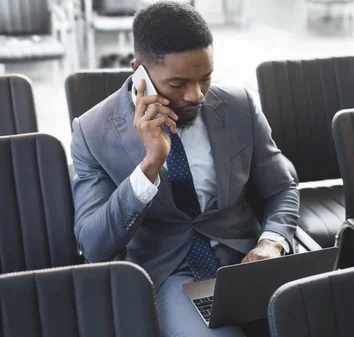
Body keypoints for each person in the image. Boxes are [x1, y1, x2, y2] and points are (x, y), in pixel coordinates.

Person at [70, 2, 300, 336]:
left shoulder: (238, 104)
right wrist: (149, 165)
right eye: (178, 84)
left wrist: (272, 242)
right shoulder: (91, 132)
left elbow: (283, 188)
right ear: (139, 72)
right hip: (171, 272)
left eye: (205, 78)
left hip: (248, 259)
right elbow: (95, 245)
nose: (196, 95)